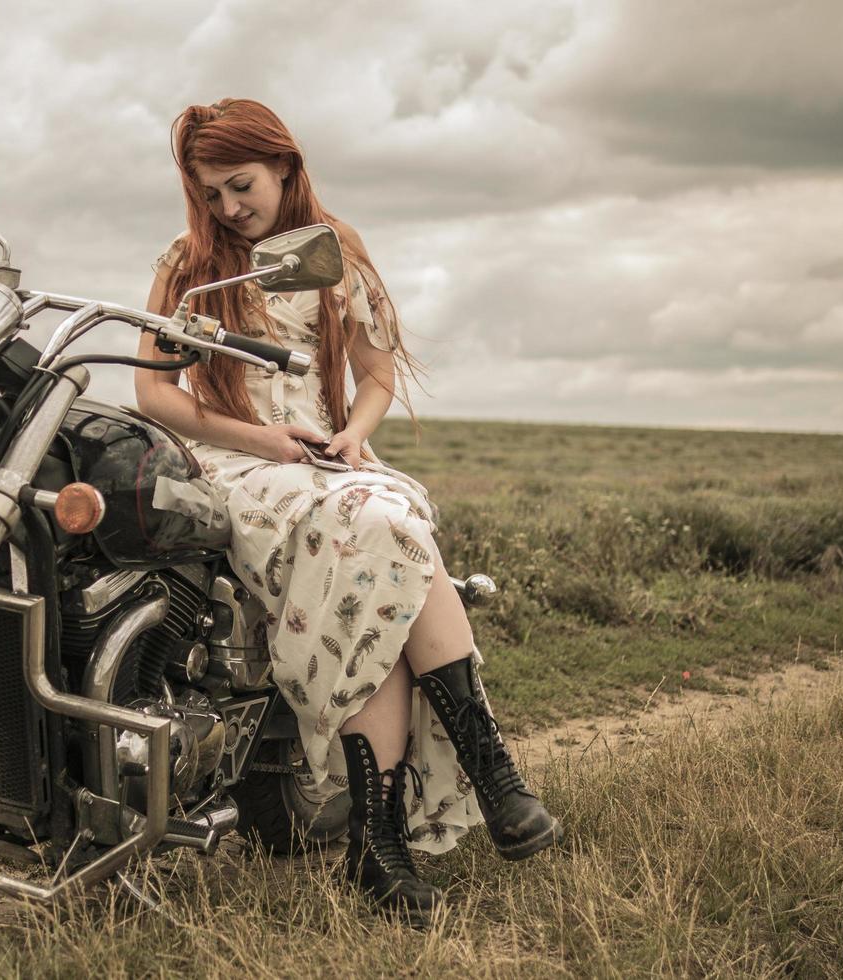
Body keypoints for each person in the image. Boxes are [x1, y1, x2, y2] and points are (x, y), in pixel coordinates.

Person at [133, 99, 561, 920]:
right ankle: (482, 781)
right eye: (210, 191)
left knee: (387, 521)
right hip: (237, 462)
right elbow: (153, 391)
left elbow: (374, 374)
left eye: (241, 185)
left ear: (286, 166)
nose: (228, 208)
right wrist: (263, 440)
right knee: (385, 530)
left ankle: (380, 843)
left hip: (326, 462)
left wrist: (356, 439)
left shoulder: (335, 251)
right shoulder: (188, 261)